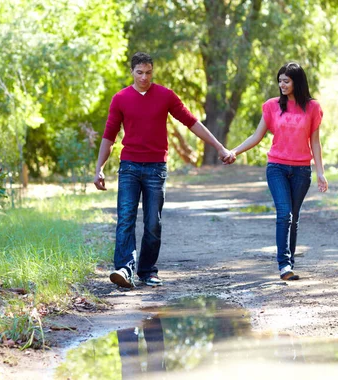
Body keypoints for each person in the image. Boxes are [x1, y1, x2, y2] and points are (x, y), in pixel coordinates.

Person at [94, 52, 235, 288]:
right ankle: (124, 269)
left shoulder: (165, 95)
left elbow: (191, 122)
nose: (144, 77)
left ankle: (148, 271)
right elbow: (109, 135)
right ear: (132, 72)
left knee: (152, 222)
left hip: (156, 169)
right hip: (129, 167)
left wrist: (219, 147)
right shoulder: (120, 99)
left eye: (148, 72)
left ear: (152, 71)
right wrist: (99, 168)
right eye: (139, 72)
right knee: (126, 219)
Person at [230, 62, 328, 281]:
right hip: (277, 167)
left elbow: (315, 141)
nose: (282, 85)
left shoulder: (312, 108)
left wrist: (320, 172)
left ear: (297, 82)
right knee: (284, 213)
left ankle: (289, 263)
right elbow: (257, 136)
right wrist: (235, 151)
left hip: (302, 170)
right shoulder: (272, 106)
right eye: (280, 81)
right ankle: (284, 265)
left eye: (286, 81)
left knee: (293, 217)